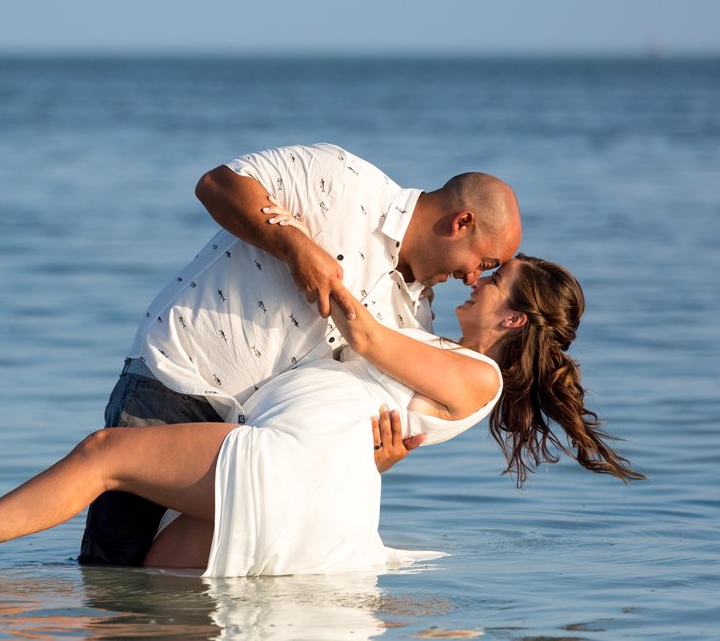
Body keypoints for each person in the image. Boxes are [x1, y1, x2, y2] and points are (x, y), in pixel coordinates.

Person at [0, 253, 643, 577]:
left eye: (496, 279)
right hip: (315, 493)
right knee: (145, 599)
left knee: (106, 452)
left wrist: (304, 245)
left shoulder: (477, 376)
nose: (479, 279)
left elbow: (365, 333)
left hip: (281, 463)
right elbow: (378, 405)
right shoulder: (450, 355)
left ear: (511, 323)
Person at [79, 142, 522, 566]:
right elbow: (217, 184)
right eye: (484, 263)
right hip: (173, 384)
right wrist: (295, 247)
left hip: (253, 443)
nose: (472, 279)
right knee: (110, 570)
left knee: (172, 591)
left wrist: (375, 458)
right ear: (461, 222)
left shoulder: (415, 321)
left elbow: (336, 408)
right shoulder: (344, 179)